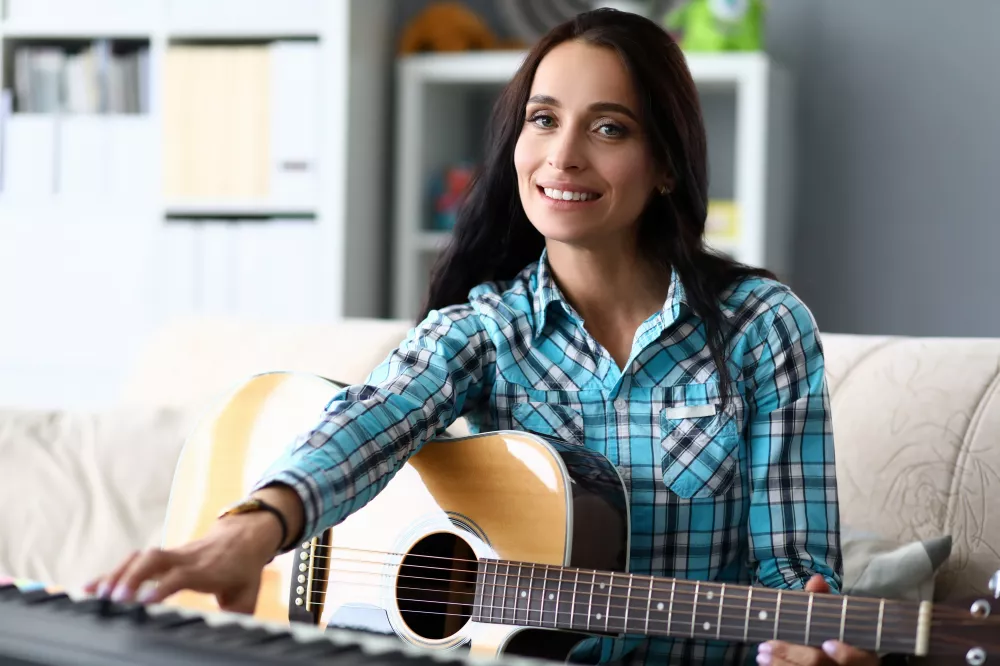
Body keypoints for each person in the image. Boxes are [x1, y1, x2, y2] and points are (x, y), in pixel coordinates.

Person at [86, 9, 877, 666]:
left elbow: (794, 568)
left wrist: (805, 637)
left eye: (608, 128)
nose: (562, 156)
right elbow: (375, 417)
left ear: (666, 164)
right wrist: (251, 528)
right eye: (543, 120)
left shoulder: (761, 328)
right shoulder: (484, 328)